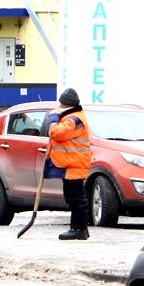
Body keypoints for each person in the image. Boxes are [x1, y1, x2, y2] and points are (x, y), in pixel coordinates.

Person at [47, 88, 92, 240]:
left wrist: (53, 121)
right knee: (73, 197)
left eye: (60, 104)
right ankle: (78, 228)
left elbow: (57, 134)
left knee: (77, 198)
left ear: (66, 105)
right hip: (71, 164)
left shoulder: (74, 120)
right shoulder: (72, 117)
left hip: (75, 164)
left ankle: (79, 229)